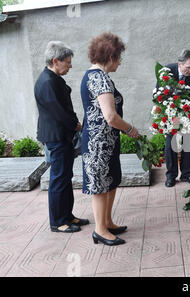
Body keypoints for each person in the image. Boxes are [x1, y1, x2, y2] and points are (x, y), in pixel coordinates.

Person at [80, 32, 139, 246]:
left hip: (106, 142)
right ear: (110, 57)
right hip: (99, 145)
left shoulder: (95, 76)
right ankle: (100, 230)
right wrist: (131, 129)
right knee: (100, 186)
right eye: (119, 57)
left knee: (110, 182)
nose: (120, 62)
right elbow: (111, 116)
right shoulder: (99, 78)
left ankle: (107, 222)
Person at [34, 41, 89, 233]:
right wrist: (75, 124)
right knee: (58, 179)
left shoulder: (52, 78)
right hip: (57, 137)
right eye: (67, 62)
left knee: (65, 177)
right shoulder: (47, 81)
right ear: (55, 61)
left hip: (62, 136)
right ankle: (58, 222)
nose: (70, 65)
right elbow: (58, 112)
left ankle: (68, 215)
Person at [160, 49, 190, 188]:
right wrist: (170, 114)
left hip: (186, 112)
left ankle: (187, 174)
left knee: (188, 142)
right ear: (179, 64)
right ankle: (171, 176)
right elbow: (159, 93)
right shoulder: (167, 70)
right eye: (188, 67)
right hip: (170, 111)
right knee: (170, 143)